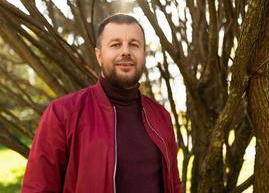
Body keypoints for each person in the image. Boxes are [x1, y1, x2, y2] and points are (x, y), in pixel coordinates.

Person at [21, 13, 182, 193]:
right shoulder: (63, 113)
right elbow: (37, 188)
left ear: (143, 53)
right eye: (115, 44)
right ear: (99, 55)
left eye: (134, 45)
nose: (126, 51)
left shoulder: (161, 116)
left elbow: (174, 185)